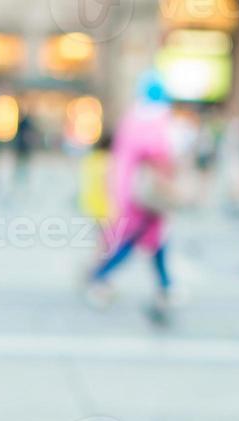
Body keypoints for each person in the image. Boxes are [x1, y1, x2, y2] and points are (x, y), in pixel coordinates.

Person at [85, 72, 177, 326]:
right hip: (145, 194)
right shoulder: (152, 121)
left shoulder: (131, 119)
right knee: (138, 239)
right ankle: (100, 277)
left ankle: (166, 285)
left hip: (129, 190)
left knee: (155, 240)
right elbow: (159, 154)